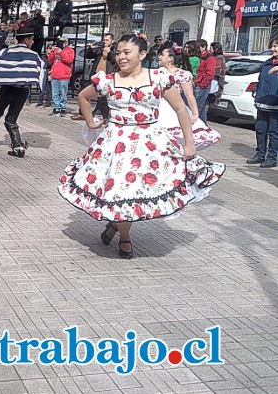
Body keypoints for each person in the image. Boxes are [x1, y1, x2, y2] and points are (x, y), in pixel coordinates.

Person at [59, 35, 225, 259]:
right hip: (115, 143)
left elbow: (180, 110)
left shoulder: (159, 78)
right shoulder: (108, 80)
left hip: (150, 144)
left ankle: (115, 227)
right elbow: (83, 96)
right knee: (120, 190)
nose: (121, 57)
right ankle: (125, 237)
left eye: (127, 52)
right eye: (119, 52)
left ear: (143, 54)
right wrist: (90, 122)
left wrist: (189, 143)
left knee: (142, 190)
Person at [0, 28, 44, 157]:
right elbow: (41, 69)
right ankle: (18, 146)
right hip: (22, 91)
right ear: (26, 40)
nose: (33, 41)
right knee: (11, 119)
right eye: (31, 39)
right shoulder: (33, 55)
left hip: (7, 89)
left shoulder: (7, 51)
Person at [157, 42, 221, 149]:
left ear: (170, 59)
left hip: (172, 107)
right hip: (157, 106)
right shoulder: (157, 73)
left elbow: (189, 95)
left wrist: (195, 113)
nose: (159, 57)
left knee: (174, 136)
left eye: (162, 55)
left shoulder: (181, 74)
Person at [247, 38, 278, 168]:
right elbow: (261, 80)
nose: (273, 49)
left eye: (276, 46)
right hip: (262, 101)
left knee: (273, 132)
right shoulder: (267, 63)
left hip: (275, 104)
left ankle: (272, 158)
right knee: (260, 130)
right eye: (272, 46)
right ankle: (260, 155)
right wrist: (256, 90)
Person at [48, 38, 74, 117]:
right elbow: (50, 60)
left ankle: (63, 108)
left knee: (63, 93)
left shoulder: (70, 50)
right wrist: (52, 51)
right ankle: (56, 107)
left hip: (64, 75)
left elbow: (69, 60)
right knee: (55, 93)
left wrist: (61, 52)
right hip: (55, 74)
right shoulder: (56, 50)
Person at [194, 39, 217, 123]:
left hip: (202, 86)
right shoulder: (197, 56)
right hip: (196, 84)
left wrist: (202, 84)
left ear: (203, 47)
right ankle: (204, 126)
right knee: (201, 108)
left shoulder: (210, 58)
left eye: (198, 47)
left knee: (197, 108)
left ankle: (197, 126)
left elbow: (210, 74)